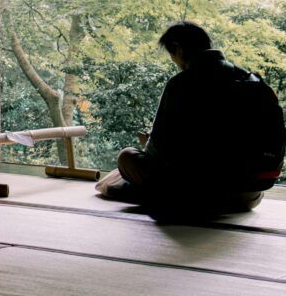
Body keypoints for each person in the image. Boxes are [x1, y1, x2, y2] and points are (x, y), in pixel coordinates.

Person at [96, 20, 273, 217]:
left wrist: (149, 145)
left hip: (196, 196)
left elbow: (157, 152)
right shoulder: (250, 79)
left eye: (172, 55)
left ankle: (143, 193)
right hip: (248, 196)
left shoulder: (181, 84)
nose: (175, 62)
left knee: (127, 157)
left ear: (178, 50)